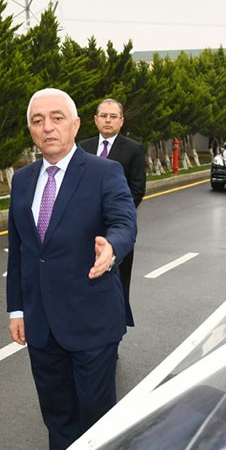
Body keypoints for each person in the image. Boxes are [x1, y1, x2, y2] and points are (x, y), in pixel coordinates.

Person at [6, 88, 137, 450]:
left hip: (91, 321)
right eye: (38, 120)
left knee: (97, 423)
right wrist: (17, 309)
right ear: (31, 130)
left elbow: (124, 221)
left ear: (76, 125)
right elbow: (20, 250)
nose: (47, 127)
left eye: (57, 118)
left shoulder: (104, 172)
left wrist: (112, 249)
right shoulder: (22, 180)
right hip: (41, 325)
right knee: (58, 419)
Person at [78, 98, 146, 326]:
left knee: (117, 281)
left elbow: (137, 189)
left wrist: (115, 217)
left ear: (121, 121)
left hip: (116, 230)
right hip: (85, 229)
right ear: (96, 119)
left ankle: (115, 326)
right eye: (103, 116)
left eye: (113, 116)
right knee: (86, 277)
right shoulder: (83, 148)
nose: (108, 120)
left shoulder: (133, 149)